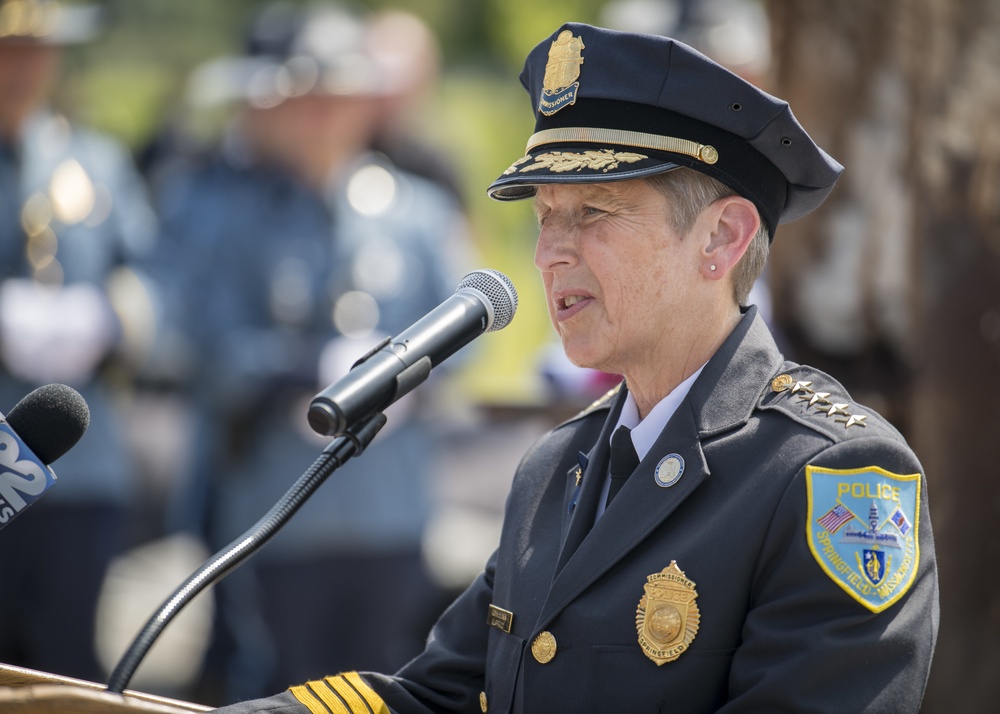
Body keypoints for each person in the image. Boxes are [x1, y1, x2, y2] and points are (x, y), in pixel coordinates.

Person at [213, 22, 939, 713]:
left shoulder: (831, 480)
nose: (549, 252)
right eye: (544, 215)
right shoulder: (555, 467)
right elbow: (437, 696)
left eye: (593, 211)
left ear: (721, 237)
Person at [152, 2, 474, 703]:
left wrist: (411, 370)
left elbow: (469, 335)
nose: (323, 115)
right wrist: (293, 372)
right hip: (280, 511)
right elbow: (196, 339)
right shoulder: (226, 213)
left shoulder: (415, 211)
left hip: (391, 508)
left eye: (339, 95)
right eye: (307, 99)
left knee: (385, 689)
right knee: (281, 689)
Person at [0, 0, 160, 682]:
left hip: (81, 465)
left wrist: (111, 321)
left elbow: (153, 280)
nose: (25, 68)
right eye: (10, 50)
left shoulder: (93, 161)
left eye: (40, 50)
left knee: (67, 671)